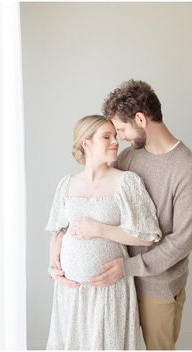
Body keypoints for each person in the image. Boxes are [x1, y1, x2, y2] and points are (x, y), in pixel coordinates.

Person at [52, 80, 192, 350]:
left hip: (155, 289)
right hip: (114, 290)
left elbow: (181, 242)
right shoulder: (128, 158)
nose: (120, 138)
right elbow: (96, 203)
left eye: (122, 129)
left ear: (140, 119)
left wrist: (127, 268)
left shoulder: (188, 171)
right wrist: (62, 239)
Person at [45, 115, 162, 350]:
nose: (115, 141)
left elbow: (148, 235)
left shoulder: (126, 182)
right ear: (85, 143)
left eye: (115, 136)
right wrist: (53, 264)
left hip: (109, 291)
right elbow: (56, 229)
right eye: (106, 137)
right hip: (71, 293)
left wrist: (99, 229)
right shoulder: (66, 184)